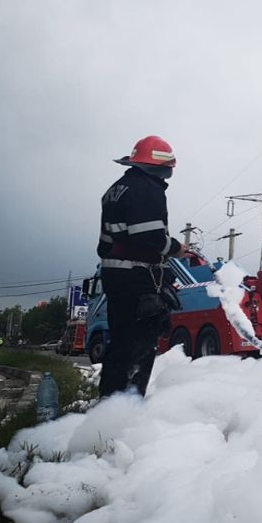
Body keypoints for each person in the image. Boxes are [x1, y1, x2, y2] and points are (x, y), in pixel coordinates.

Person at [97, 135, 187, 397]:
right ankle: (125, 413)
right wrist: (176, 248)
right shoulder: (147, 189)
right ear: (158, 166)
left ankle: (107, 410)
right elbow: (148, 237)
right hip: (138, 279)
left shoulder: (116, 189)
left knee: (121, 346)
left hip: (116, 278)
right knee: (139, 349)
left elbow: (108, 243)